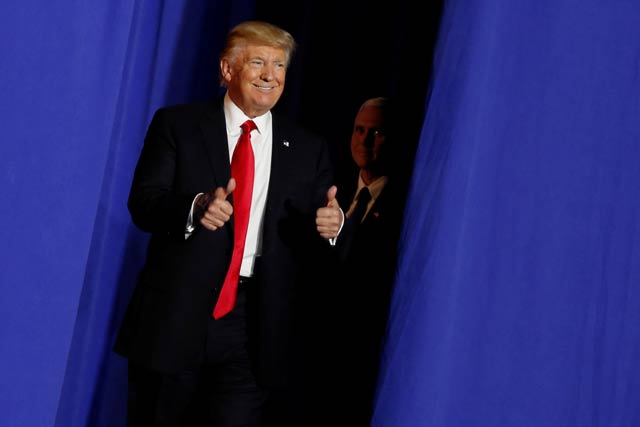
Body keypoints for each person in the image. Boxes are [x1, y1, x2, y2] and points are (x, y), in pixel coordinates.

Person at [114, 20, 343, 427]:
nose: (271, 75)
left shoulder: (308, 148)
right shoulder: (178, 126)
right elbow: (144, 204)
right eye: (258, 62)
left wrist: (332, 228)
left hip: (254, 327)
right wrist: (196, 206)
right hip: (177, 318)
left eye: (279, 66)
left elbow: (321, 231)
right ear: (227, 70)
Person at [318, 96, 408, 426]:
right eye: (359, 130)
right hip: (316, 352)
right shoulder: (332, 191)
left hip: (363, 356)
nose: (365, 140)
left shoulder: (407, 205)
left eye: (377, 132)